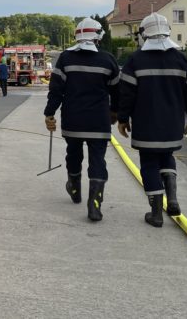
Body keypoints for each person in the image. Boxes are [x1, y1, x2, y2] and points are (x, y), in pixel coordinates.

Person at [117, 12, 187, 228]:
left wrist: (122, 118)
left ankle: (156, 213)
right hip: (173, 124)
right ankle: (172, 199)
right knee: (167, 156)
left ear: (144, 34)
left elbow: (126, 94)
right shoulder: (181, 59)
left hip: (146, 124)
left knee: (149, 162)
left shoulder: (136, 60)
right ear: (167, 32)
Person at [44, 17, 120, 221]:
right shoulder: (108, 60)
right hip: (99, 121)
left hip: (73, 120)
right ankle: (94, 205)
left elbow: (56, 90)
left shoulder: (65, 59)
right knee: (98, 160)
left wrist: (49, 113)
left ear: (78, 37)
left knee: (74, 154)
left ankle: (75, 189)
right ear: (98, 38)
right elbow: (118, 91)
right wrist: (115, 112)